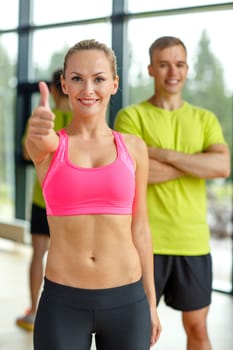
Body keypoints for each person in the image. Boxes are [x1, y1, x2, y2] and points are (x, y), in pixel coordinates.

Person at [24, 39, 161, 350]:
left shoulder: (134, 147)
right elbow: (37, 141)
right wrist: (37, 128)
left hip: (128, 300)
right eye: (77, 78)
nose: (88, 89)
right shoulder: (50, 147)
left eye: (98, 79)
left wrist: (151, 302)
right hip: (63, 302)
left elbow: (140, 228)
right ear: (64, 84)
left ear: (114, 84)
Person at [114, 36, 230, 350]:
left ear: (187, 68)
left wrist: (158, 154)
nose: (172, 71)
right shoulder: (130, 117)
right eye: (163, 64)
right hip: (143, 242)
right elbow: (132, 172)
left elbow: (221, 166)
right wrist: (195, 164)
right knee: (137, 333)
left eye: (178, 64)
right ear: (151, 68)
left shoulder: (204, 119)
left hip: (192, 243)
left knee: (198, 329)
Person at [16, 69, 73, 331]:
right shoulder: (76, 119)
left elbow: (29, 155)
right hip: (64, 201)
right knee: (68, 255)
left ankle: (36, 311)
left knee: (39, 254)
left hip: (49, 200)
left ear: (53, 86)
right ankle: (61, 312)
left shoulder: (42, 116)